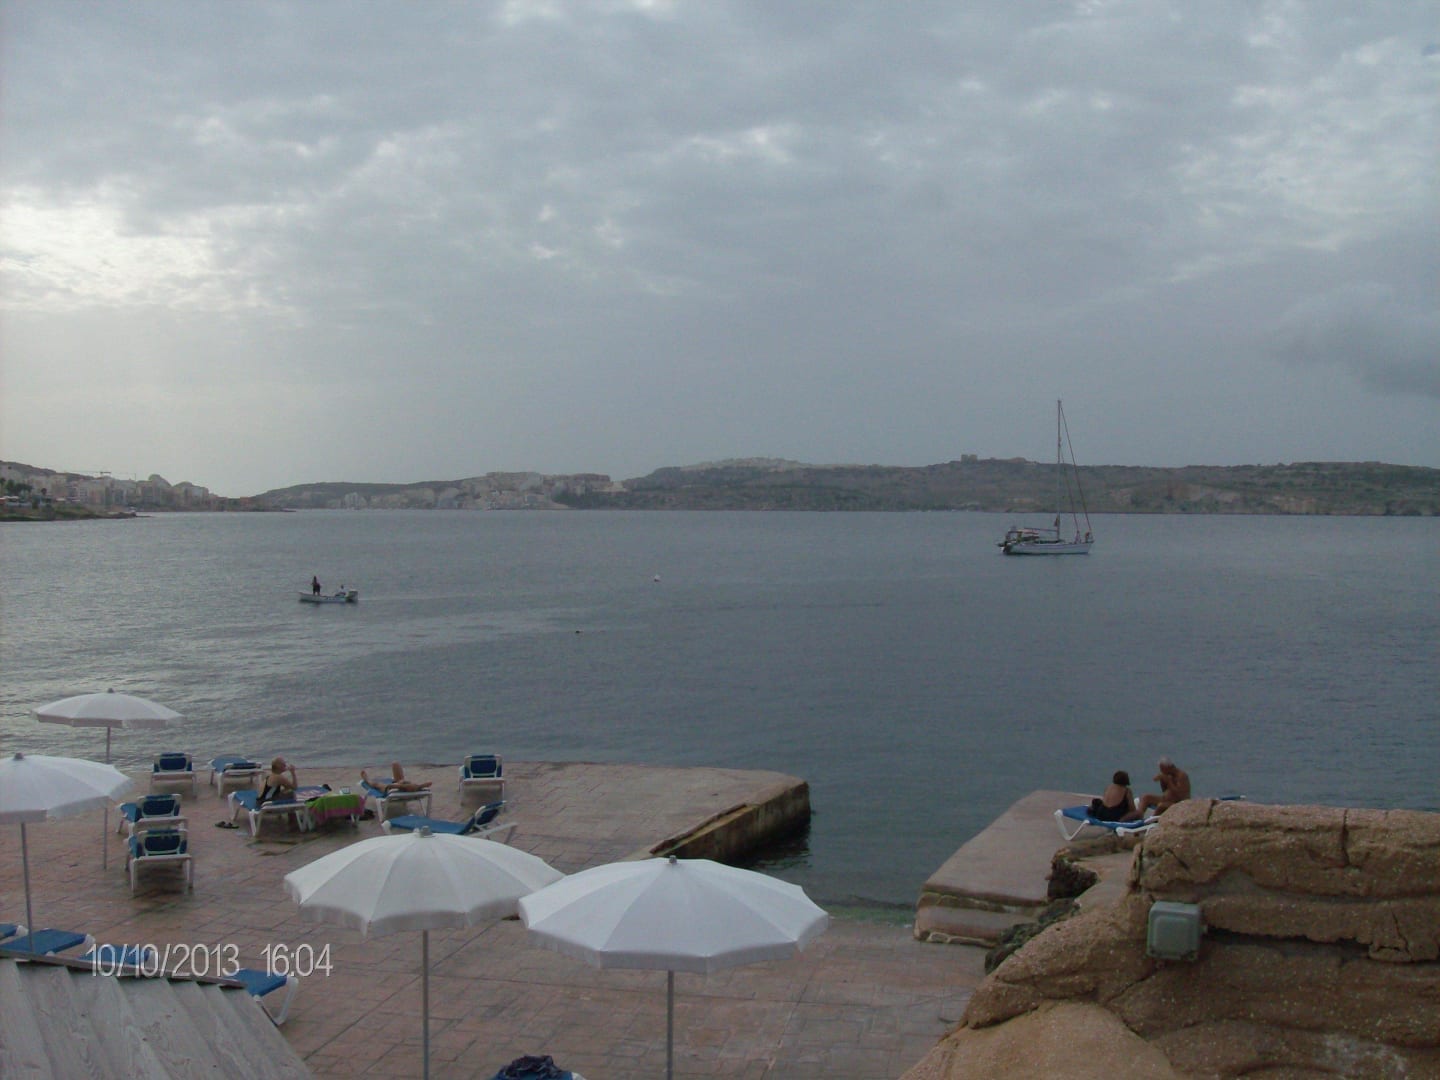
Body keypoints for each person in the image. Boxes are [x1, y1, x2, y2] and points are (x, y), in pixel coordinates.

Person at [360, 762, 433, 794]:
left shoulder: (385, 787)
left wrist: (398, 784)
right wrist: (400, 783)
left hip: (393, 788)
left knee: (375, 784)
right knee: (395, 764)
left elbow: (389, 786)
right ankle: (417, 786)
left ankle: (367, 779)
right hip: (402, 786)